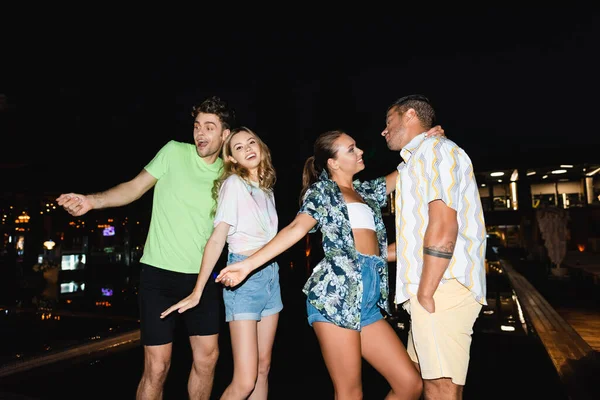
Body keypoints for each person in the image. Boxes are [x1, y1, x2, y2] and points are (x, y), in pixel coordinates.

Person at [215, 127, 444, 399]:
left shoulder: (367, 192)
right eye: (351, 149)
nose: (360, 152)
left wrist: (424, 141)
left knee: (410, 384)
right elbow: (296, 229)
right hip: (336, 297)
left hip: (368, 302)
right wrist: (247, 265)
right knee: (350, 393)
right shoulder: (322, 193)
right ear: (333, 163)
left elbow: (407, 170)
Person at [56, 96, 236, 400]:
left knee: (207, 361)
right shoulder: (173, 152)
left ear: (225, 134)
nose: (200, 134)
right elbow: (134, 187)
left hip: (202, 280)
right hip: (159, 276)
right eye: (196, 126)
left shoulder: (229, 175)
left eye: (209, 127)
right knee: (157, 367)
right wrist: (91, 201)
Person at [161, 126, 283, 400]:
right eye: (238, 147)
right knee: (245, 380)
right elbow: (217, 239)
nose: (248, 149)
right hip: (243, 280)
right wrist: (197, 290)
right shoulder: (234, 185)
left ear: (261, 147)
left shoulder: (265, 188)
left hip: (270, 277)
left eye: (251, 142)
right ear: (231, 160)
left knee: (263, 369)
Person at [382, 94, 487, 400]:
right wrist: (373, 254)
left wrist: (426, 291)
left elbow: (443, 227)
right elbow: (416, 239)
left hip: (441, 286)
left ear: (410, 115)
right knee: (413, 380)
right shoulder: (419, 159)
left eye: (389, 121)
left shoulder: (438, 152)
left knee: (441, 389)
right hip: (432, 286)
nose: (384, 131)